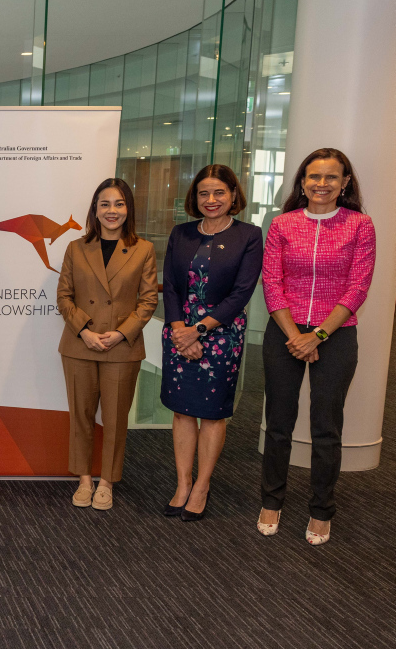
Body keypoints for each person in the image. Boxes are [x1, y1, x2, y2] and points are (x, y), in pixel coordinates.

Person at [258, 148, 375, 546]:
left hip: (336, 333)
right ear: (302, 182)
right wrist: (295, 335)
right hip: (284, 331)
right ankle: (271, 500)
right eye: (313, 177)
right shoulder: (282, 224)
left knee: (327, 426)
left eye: (330, 177)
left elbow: (357, 287)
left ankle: (322, 509)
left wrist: (318, 335)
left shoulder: (360, 225)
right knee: (278, 421)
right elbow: (272, 284)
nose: (321, 184)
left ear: (345, 183)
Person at [160, 166, 263, 521]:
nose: (211, 200)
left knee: (212, 413)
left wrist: (198, 330)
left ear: (234, 195)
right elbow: (170, 286)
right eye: (204, 193)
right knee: (182, 410)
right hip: (179, 331)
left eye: (219, 192)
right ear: (195, 197)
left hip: (221, 334)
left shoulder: (249, 235)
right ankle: (183, 483)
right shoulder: (181, 233)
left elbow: (241, 293)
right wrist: (179, 329)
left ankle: (202, 485)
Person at [57, 178, 157, 511]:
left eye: (119, 204)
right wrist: (83, 330)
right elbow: (64, 296)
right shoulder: (76, 247)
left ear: (128, 209)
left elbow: (148, 300)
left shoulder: (143, 249)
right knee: (81, 416)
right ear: (95, 210)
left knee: (115, 419)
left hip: (122, 346)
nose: (111, 211)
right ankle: (84, 479)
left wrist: (120, 333)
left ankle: (106, 482)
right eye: (104, 204)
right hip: (79, 344)